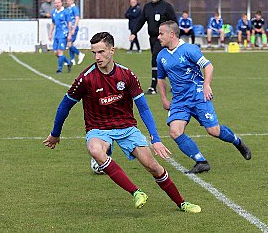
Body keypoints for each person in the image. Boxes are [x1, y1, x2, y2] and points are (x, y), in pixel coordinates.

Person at [43, 32, 201, 213]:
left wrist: (155, 138)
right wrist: (55, 134)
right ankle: (136, 192)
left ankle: (181, 203)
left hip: (127, 127)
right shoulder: (85, 78)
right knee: (95, 150)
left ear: (112, 50)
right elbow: (64, 106)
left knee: (153, 167)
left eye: (101, 52)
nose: (97, 57)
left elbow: (143, 108)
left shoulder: (126, 75)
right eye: (94, 53)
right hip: (98, 128)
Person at [156, 21, 251, 174]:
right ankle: (201, 161)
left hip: (198, 96)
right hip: (179, 100)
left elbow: (208, 66)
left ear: (171, 34)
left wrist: (206, 85)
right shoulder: (161, 56)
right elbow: (161, 79)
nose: (158, 37)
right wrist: (164, 99)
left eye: (161, 33)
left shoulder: (189, 49)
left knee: (213, 131)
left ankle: (237, 142)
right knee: (175, 132)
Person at [129, 0, 177, 95]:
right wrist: (134, 33)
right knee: (163, 61)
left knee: (156, 58)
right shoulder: (147, 7)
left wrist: (174, 36)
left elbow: (174, 21)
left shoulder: (166, 6)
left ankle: (153, 87)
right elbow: (141, 21)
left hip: (164, 39)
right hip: (153, 38)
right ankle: (173, 85)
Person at [48, 0, 72, 73]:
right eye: (55, 3)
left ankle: (59, 69)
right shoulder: (54, 12)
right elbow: (53, 23)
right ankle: (68, 62)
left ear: (61, 3)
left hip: (63, 34)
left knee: (60, 51)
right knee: (56, 52)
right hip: (57, 35)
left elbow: (69, 23)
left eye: (58, 2)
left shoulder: (65, 12)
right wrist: (50, 33)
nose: (57, 4)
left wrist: (69, 34)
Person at [65, 0, 85, 65]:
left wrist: (74, 29)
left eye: (69, 1)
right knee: (70, 44)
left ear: (72, 1)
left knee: (69, 44)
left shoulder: (74, 8)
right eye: (67, 1)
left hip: (73, 28)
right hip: (69, 28)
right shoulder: (67, 9)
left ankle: (79, 54)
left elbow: (77, 18)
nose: (67, 2)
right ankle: (72, 60)